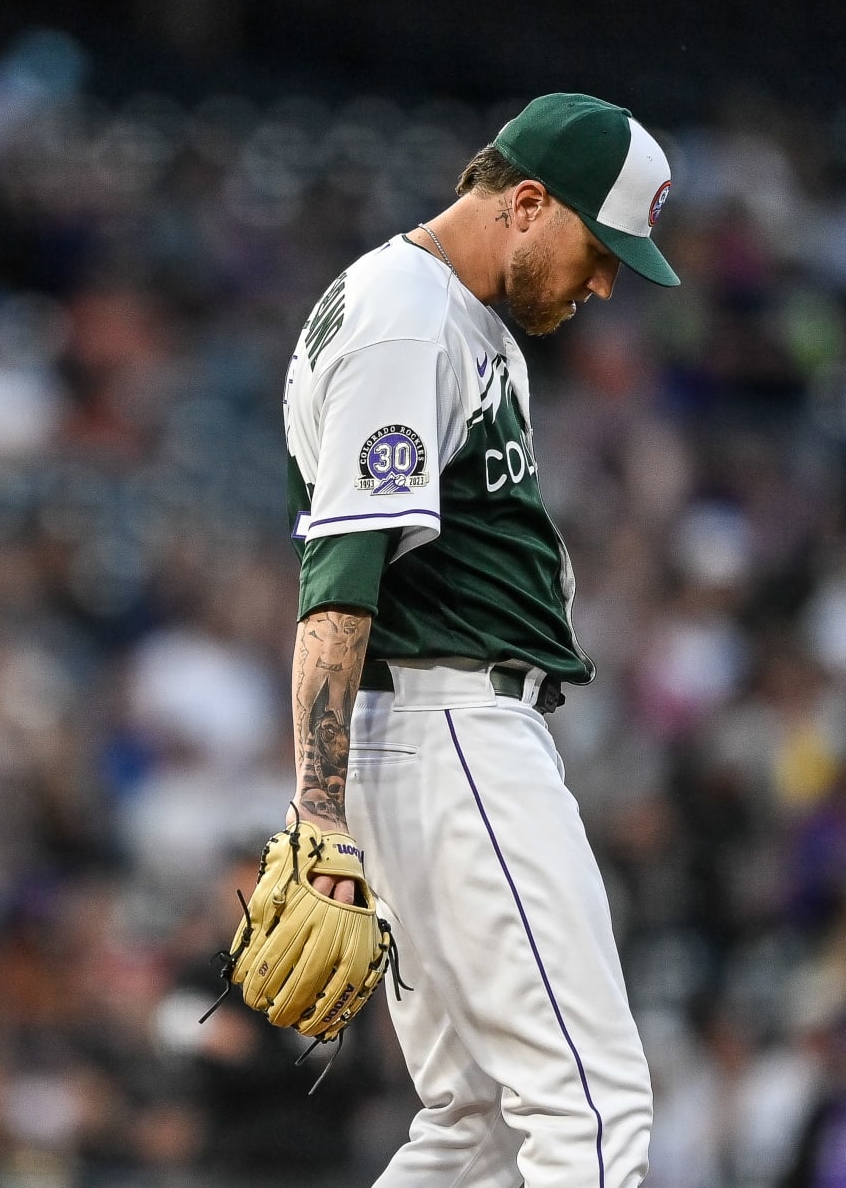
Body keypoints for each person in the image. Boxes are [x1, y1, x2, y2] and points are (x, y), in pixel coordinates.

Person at [278, 94, 679, 1186]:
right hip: (449, 729)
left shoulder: (452, 313)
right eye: (600, 252)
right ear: (529, 203)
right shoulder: (407, 317)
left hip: (437, 732)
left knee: (476, 1123)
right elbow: (339, 581)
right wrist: (316, 807)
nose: (604, 285)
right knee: (590, 1105)